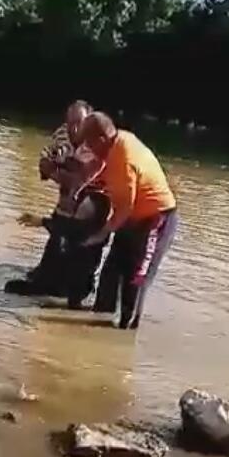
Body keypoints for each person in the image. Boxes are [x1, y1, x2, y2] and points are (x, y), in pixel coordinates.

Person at [79, 112, 178, 329]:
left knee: (135, 283)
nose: (88, 147)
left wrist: (101, 234)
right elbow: (104, 172)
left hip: (155, 219)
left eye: (89, 142)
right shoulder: (118, 141)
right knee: (109, 278)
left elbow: (125, 208)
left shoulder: (124, 158)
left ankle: (124, 339)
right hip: (131, 219)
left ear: (102, 139)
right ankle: (94, 332)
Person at [5, 101, 108, 304]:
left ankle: (80, 287)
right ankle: (48, 275)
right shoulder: (62, 133)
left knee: (82, 250)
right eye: (70, 124)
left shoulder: (97, 143)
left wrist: (59, 171)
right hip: (68, 199)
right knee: (57, 237)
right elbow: (45, 162)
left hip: (94, 202)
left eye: (79, 123)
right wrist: (55, 169)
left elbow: (80, 178)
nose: (74, 129)